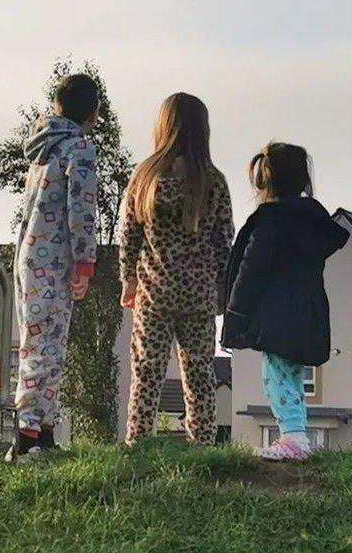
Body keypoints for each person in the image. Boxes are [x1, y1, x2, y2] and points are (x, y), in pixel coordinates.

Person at [221, 142, 348, 460]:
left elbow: (251, 270)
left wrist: (234, 315)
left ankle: (293, 437)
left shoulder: (272, 222)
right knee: (290, 374)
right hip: (307, 310)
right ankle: (297, 434)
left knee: (276, 373)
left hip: (276, 314)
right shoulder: (312, 222)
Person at [120, 93, 234, 446]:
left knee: (147, 370)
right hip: (199, 292)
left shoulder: (145, 177)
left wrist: (129, 281)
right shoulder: (213, 181)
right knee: (200, 372)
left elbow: (129, 235)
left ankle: (137, 439)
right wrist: (222, 290)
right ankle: (201, 441)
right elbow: (223, 240)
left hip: (155, 290)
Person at [9, 73, 99, 462]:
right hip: (57, 259)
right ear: (93, 111)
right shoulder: (79, 148)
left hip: (30, 258)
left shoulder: (41, 150)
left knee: (43, 345)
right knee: (47, 348)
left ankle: (42, 431)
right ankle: (27, 436)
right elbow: (81, 207)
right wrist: (86, 259)